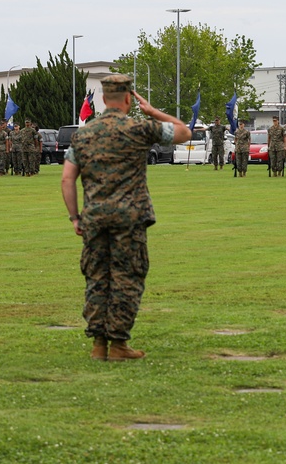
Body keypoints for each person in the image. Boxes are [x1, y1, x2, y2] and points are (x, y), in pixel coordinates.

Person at [60, 74, 191, 361]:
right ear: (129, 99)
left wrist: (74, 217)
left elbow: (67, 179)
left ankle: (98, 345)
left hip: (94, 217)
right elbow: (184, 132)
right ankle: (118, 345)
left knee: (97, 277)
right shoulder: (140, 128)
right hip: (130, 218)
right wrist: (153, 111)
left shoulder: (82, 135)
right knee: (126, 278)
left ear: (104, 100)